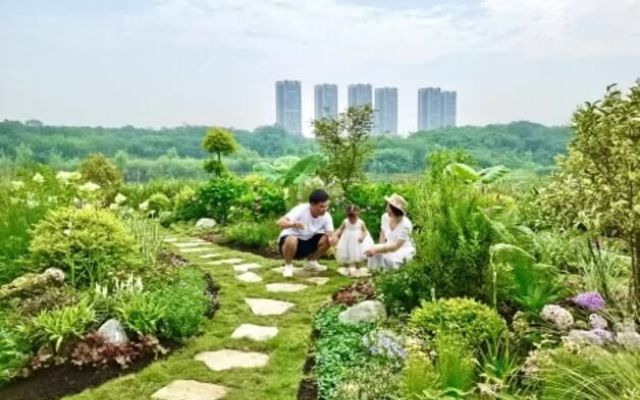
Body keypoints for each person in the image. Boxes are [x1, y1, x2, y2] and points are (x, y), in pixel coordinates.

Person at [277, 189, 336, 277]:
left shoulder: (326, 216)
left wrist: (333, 240)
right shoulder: (301, 209)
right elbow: (279, 223)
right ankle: (288, 266)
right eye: (321, 206)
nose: (324, 209)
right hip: (289, 243)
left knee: (327, 239)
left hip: (307, 241)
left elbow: (331, 234)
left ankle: (310, 263)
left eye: (326, 206)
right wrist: (293, 224)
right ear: (312, 204)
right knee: (292, 239)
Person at [365, 193, 415, 270]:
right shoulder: (385, 217)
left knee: (389, 260)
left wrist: (378, 248)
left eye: (388, 207)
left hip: (401, 249)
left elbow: (395, 246)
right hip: (388, 245)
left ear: (395, 210)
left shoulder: (406, 224)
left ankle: (388, 274)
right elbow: (383, 234)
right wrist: (378, 247)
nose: (386, 209)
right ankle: (375, 272)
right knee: (376, 255)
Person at [335, 204, 374, 277]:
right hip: (347, 240)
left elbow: (365, 231)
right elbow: (340, 228)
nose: (351, 219)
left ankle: (358, 269)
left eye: (353, 217)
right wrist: (337, 233)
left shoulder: (361, 222)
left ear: (357, 214)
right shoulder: (345, 221)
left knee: (357, 255)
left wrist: (362, 237)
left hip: (357, 241)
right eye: (350, 217)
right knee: (345, 254)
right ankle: (346, 268)